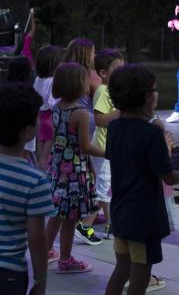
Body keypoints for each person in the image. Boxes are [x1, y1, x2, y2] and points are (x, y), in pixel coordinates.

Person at [104, 64, 179, 295]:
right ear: (147, 96)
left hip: (120, 212)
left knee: (121, 268)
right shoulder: (152, 133)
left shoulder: (114, 127)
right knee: (141, 274)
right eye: (155, 90)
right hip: (143, 217)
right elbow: (166, 174)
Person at [45, 62, 105, 274]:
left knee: (56, 215)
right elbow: (85, 146)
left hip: (59, 167)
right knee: (70, 218)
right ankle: (65, 259)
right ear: (77, 84)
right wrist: (109, 152)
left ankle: (45, 252)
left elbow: (56, 139)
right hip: (75, 172)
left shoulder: (56, 107)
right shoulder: (80, 113)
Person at [0, 83, 54, 295]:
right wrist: (41, 281)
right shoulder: (35, 181)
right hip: (9, 275)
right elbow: (37, 238)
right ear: (28, 130)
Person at [63, 38, 104, 244]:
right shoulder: (91, 77)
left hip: (69, 129)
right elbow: (102, 101)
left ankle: (85, 214)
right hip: (90, 130)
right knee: (98, 178)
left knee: (83, 175)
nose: (95, 56)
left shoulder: (65, 74)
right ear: (85, 55)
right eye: (93, 52)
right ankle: (85, 223)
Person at [79, 49, 124, 238]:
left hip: (110, 147)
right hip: (102, 148)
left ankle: (111, 224)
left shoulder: (113, 91)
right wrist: (122, 112)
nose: (122, 71)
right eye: (117, 68)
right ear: (103, 73)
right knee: (103, 188)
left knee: (108, 186)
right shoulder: (102, 91)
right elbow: (99, 120)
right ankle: (85, 225)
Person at [33, 45, 63, 170]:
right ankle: (44, 178)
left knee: (40, 152)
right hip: (49, 118)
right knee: (47, 154)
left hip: (39, 116)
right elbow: (52, 102)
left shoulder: (38, 79)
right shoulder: (52, 81)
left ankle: (39, 171)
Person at [7, 57, 37, 163]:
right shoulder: (29, 93)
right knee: (24, 157)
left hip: (7, 133)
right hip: (24, 133)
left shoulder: (5, 91)